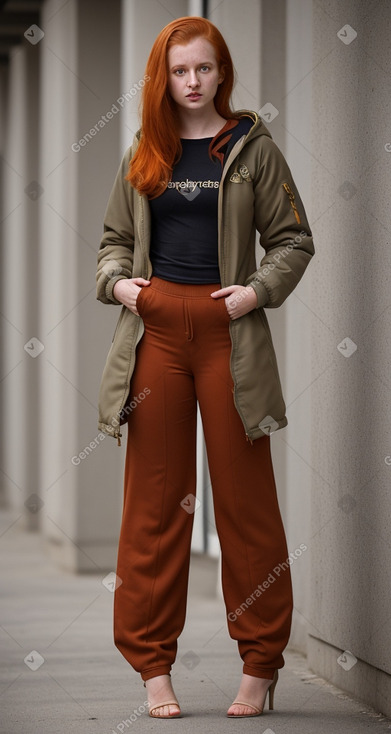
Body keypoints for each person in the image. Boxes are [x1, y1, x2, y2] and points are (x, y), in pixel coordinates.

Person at [96, 15, 314, 720]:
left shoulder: (254, 151)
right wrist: (121, 283)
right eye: (180, 70)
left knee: (245, 504)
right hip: (155, 333)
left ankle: (259, 663)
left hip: (229, 336)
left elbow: (292, 239)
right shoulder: (144, 150)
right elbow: (113, 241)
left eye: (204, 69)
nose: (192, 82)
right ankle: (151, 667)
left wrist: (254, 292)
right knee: (154, 508)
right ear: (163, 77)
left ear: (223, 74)